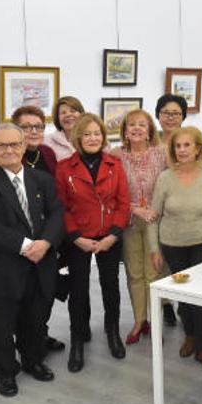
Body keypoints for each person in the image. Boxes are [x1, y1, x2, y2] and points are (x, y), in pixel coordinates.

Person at [0, 123, 64, 397]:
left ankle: (33, 360)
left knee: (35, 319)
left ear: (23, 146)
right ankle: (6, 371)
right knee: (2, 325)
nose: (8, 150)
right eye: (1, 145)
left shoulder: (41, 179)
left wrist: (44, 243)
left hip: (39, 264)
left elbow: (57, 213)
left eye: (14, 144)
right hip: (0, 267)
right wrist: (25, 245)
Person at [0, 106, 64, 352]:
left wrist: (46, 242)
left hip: (44, 245)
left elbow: (55, 207)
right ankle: (13, 358)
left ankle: (36, 344)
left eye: (38, 126)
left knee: (39, 304)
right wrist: (27, 245)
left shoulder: (47, 154)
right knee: (9, 312)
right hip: (9, 250)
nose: (33, 131)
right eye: (26, 127)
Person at [148, 126, 202, 371]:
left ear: (197, 148)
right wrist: (155, 249)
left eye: (187, 145)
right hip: (173, 245)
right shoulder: (165, 178)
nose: (182, 150)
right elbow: (154, 216)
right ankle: (190, 335)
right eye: (178, 146)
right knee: (183, 296)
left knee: (201, 296)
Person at [55, 113, 130, 371]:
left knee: (111, 285)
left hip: (110, 236)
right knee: (78, 288)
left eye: (96, 133)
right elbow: (61, 207)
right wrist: (76, 237)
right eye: (86, 134)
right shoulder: (65, 168)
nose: (92, 138)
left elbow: (123, 202)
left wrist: (113, 235)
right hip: (78, 239)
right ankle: (78, 338)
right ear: (78, 137)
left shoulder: (114, 164)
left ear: (103, 136)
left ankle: (112, 332)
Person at [112, 109, 168, 346]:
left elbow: (169, 186)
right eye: (131, 125)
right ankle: (139, 321)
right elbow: (112, 192)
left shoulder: (162, 153)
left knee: (153, 274)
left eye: (142, 125)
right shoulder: (115, 155)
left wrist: (153, 209)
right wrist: (136, 209)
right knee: (134, 273)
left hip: (157, 222)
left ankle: (155, 322)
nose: (136, 128)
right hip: (129, 223)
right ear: (125, 131)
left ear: (149, 131)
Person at [152, 94, 187, 328]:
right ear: (158, 115)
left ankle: (187, 306)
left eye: (175, 113)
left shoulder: (189, 140)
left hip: (183, 208)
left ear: (183, 116)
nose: (171, 117)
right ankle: (165, 306)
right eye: (166, 113)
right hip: (156, 209)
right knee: (160, 263)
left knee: (185, 261)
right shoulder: (150, 141)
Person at [44, 96, 85, 161]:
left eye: (73, 111)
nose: (68, 115)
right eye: (63, 113)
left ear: (81, 114)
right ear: (57, 118)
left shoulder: (92, 138)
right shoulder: (46, 142)